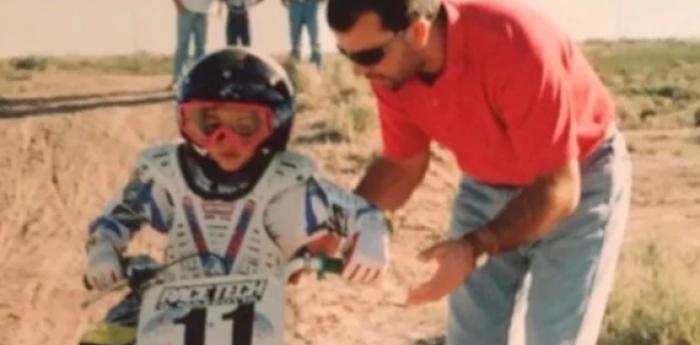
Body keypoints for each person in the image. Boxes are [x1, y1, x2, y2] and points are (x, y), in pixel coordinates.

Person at [326, 0, 632, 344]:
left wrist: (474, 248)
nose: (358, 71)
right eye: (346, 55)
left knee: (555, 338)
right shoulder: (392, 72)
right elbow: (402, 164)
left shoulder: (515, 45)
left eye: (368, 56)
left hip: (577, 180)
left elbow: (558, 187)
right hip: (486, 182)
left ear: (418, 31)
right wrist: (338, 226)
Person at [77, 47, 391, 345]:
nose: (225, 140)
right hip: (170, 298)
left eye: (245, 125)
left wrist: (370, 238)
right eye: (208, 124)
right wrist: (103, 248)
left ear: (275, 125)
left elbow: (361, 214)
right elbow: (116, 217)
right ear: (187, 124)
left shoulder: (288, 183)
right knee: (98, 341)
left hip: (255, 313)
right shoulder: (166, 174)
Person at [170, 0, 216, 89]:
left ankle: (199, 79)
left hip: (203, 11)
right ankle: (177, 79)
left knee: (201, 46)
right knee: (183, 45)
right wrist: (178, 4)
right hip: (187, 9)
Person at [282, 0, 323, 69]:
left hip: (310, 4)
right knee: (295, 32)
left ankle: (316, 57)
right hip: (295, 4)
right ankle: (295, 57)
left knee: (313, 32)